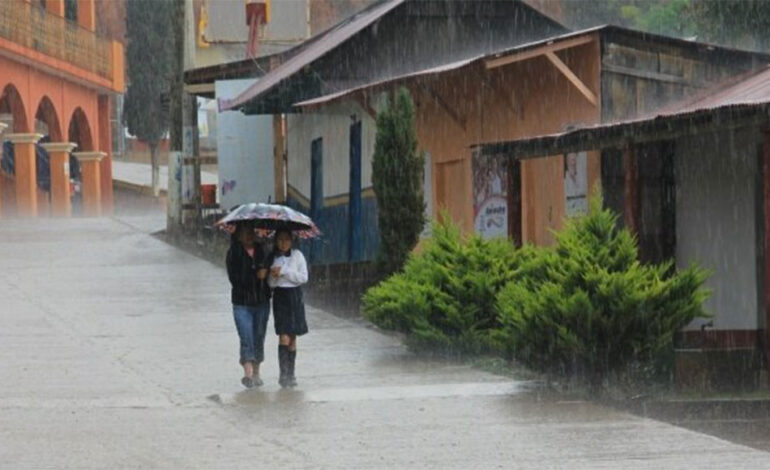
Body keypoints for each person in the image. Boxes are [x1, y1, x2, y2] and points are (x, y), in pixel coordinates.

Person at [226, 223, 271, 388]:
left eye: (250, 232)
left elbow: (270, 273)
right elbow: (235, 280)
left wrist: (265, 273)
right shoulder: (233, 253)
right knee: (246, 337)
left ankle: (257, 370)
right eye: (244, 233)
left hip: (261, 302)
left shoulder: (263, 250)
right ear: (238, 236)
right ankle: (248, 373)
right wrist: (255, 274)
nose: (248, 236)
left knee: (259, 337)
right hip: (241, 303)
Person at [268, 229, 309, 388]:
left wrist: (284, 271)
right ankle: (283, 374)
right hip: (280, 298)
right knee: (283, 336)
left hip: (295, 297)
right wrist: (274, 276)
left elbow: (303, 278)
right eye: (280, 240)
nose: (283, 243)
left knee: (292, 338)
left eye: (286, 240)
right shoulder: (273, 258)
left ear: (291, 241)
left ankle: (291, 374)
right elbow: (271, 284)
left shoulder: (298, 255)